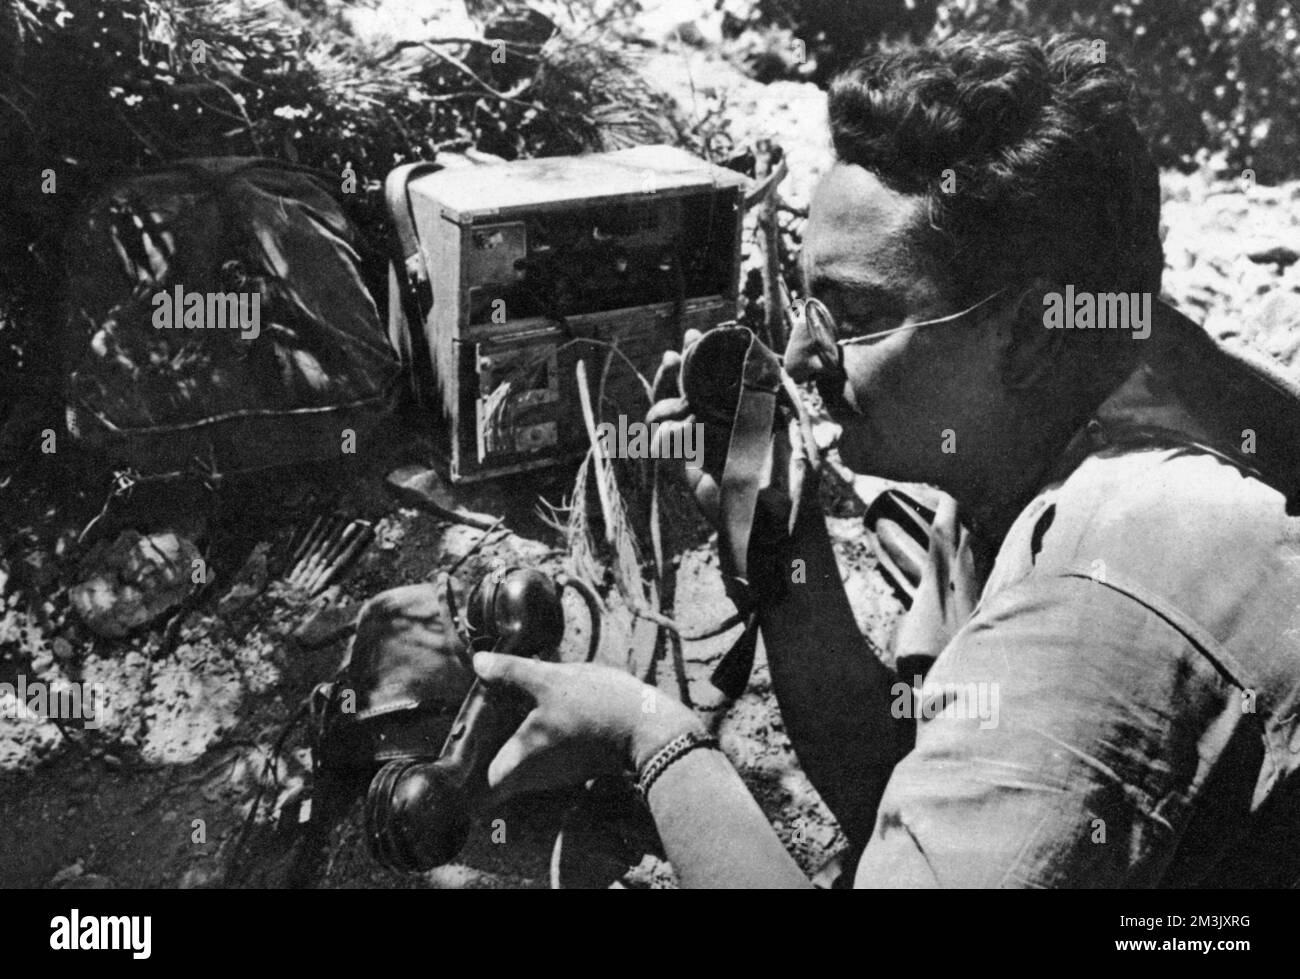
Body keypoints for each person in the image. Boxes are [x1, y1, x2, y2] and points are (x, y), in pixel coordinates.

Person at [469, 31, 1300, 888]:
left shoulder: (1108, 584)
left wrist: (648, 733)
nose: (796, 360)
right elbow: (903, 789)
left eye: (854, 314)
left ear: (1029, 334)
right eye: (803, 306)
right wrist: (787, 557)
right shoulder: (1011, 462)